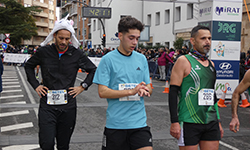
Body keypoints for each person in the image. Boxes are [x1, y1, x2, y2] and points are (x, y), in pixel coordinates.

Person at [24, 15, 96, 150]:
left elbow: (93, 70)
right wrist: (36, 85)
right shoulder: (43, 51)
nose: (64, 41)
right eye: (61, 38)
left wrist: (82, 87)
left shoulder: (76, 54)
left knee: (63, 145)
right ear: (54, 36)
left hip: (68, 106)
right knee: (47, 143)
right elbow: (28, 66)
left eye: (67, 39)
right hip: (47, 104)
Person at [93, 16, 153, 150]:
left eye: (137, 39)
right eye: (131, 38)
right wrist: (131, 91)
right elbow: (102, 92)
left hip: (139, 124)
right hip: (116, 125)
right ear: (120, 36)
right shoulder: (107, 60)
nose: (134, 42)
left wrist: (145, 89)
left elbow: (148, 86)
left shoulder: (142, 59)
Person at [168, 25, 224, 150]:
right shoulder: (183, 61)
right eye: (203, 38)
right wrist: (174, 122)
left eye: (209, 38)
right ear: (192, 41)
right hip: (189, 121)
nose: (207, 42)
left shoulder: (211, 64)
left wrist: (218, 120)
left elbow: (212, 94)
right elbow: (173, 92)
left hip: (210, 121)